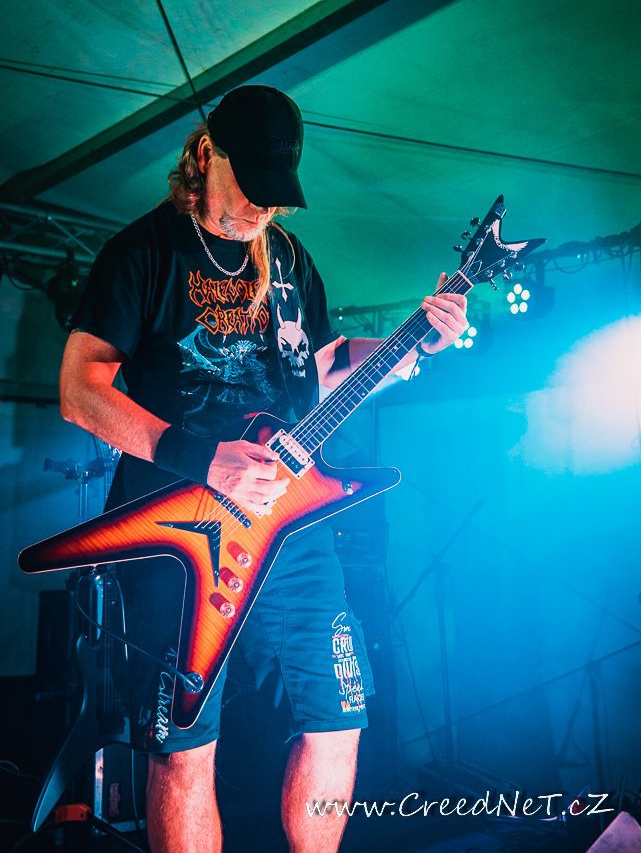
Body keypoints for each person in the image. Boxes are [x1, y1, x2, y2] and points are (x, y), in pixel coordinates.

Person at [59, 85, 467, 853]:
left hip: (292, 529)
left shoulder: (289, 260)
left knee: (338, 721)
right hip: (180, 534)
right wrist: (200, 458)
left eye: (276, 192)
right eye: (250, 185)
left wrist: (412, 344)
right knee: (184, 746)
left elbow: (320, 368)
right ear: (204, 156)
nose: (262, 207)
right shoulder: (141, 252)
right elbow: (80, 392)